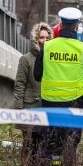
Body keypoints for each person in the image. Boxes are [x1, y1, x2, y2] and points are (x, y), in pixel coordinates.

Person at [34, 7, 83, 166]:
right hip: (74, 103)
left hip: (49, 102)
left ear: (61, 25)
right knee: (70, 140)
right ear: (77, 26)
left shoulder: (47, 47)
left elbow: (37, 75)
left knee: (50, 139)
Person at [13, 22, 53, 155]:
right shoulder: (26, 59)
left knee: (45, 145)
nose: (45, 41)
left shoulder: (52, 59)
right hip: (30, 107)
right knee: (30, 145)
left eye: (47, 38)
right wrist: (18, 108)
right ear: (36, 38)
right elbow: (20, 84)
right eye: (42, 37)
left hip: (47, 107)